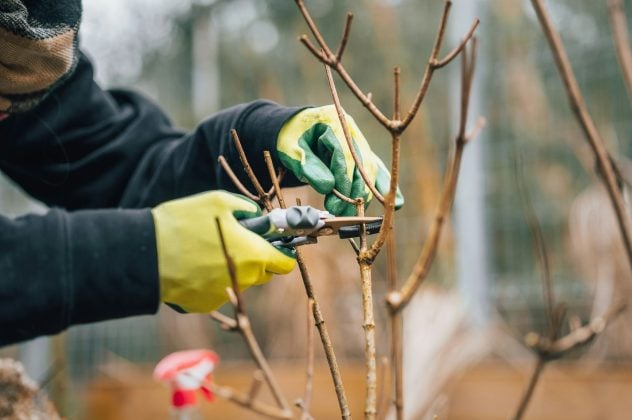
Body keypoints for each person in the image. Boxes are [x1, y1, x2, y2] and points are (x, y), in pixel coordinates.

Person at [0, 1, 402, 346]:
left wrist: (261, 139)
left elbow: (118, 167)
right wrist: (139, 254)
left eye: (16, 101)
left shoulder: (23, 49)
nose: (7, 111)